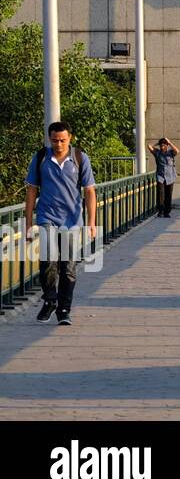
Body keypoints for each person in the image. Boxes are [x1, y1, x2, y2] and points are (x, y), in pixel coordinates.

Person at [24, 121, 97, 326]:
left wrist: (91, 222)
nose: (59, 144)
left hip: (72, 220)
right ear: (49, 139)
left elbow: (90, 191)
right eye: (55, 140)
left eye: (63, 140)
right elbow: (31, 191)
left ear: (70, 139)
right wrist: (29, 223)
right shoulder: (40, 158)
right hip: (47, 216)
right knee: (47, 261)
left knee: (68, 267)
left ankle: (64, 309)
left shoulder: (80, 158)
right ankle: (50, 300)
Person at [147, 137, 178, 217]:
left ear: (167, 146)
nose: (162, 147)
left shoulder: (170, 153)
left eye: (164, 145)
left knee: (168, 195)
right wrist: (157, 143)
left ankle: (167, 212)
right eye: (161, 145)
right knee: (160, 194)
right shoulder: (157, 152)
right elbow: (149, 146)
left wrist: (170, 143)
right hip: (160, 177)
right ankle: (160, 211)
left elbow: (177, 151)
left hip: (170, 177)